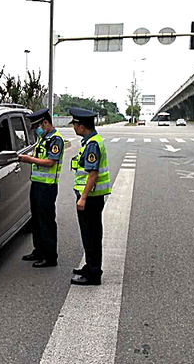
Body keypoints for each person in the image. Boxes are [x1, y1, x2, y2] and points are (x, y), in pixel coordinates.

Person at [69, 107, 111, 285]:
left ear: (81, 126)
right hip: (90, 197)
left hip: (91, 198)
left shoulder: (93, 144)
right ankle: (90, 266)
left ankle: (93, 273)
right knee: (89, 235)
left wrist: (83, 197)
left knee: (91, 235)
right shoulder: (90, 141)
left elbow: (92, 174)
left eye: (75, 124)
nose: (73, 127)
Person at [18, 109, 65, 268]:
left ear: (45, 122)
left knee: (46, 221)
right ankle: (38, 250)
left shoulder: (56, 140)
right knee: (36, 219)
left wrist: (29, 160)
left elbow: (51, 161)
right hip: (37, 184)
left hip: (48, 186)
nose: (36, 129)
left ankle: (50, 256)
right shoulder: (43, 138)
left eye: (38, 125)